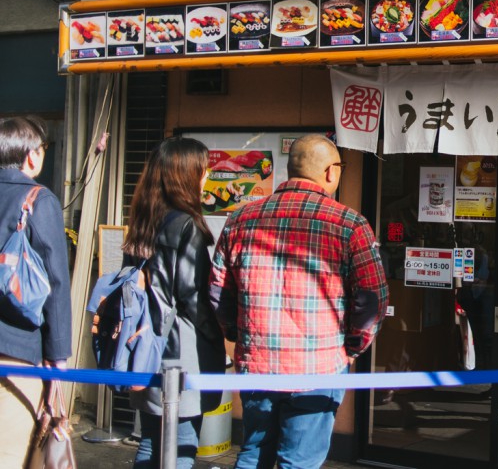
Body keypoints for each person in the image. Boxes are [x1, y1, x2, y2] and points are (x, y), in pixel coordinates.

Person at [210, 134, 388, 469]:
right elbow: (372, 298)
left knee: (252, 452)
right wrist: (352, 347)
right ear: (331, 172)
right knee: (300, 462)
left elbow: (219, 291)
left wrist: (238, 336)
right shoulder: (350, 225)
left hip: (257, 364)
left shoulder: (240, 219)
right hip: (318, 369)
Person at [122, 137, 226, 469]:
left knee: (151, 441)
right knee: (181, 444)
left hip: (145, 346)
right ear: (187, 175)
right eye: (203, 170)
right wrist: (218, 336)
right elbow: (194, 298)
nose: (206, 177)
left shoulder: (144, 221)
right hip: (182, 351)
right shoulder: (186, 226)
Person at [0, 116, 73, 468]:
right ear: (31, 156)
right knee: (9, 455)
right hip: (17, 353)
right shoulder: (38, 199)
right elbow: (56, 283)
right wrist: (57, 357)